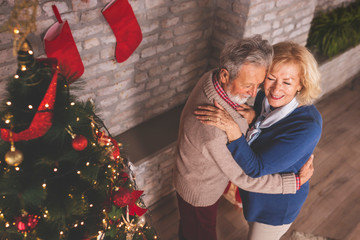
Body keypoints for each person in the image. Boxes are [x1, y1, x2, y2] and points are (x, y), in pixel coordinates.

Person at [174, 35, 315, 240]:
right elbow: (245, 178)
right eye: (248, 85)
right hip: (199, 193)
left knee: (189, 229)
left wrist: (253, 117)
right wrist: (293, 183)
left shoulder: (212, 78)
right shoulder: (213, 129)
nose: (253, 93)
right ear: (225, 75)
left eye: (259, 84)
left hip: (192, 177)